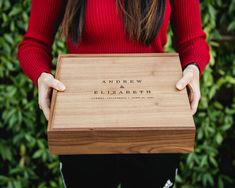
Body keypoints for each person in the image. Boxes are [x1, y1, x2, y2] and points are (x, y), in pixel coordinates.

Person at [17, 0, 210, 187]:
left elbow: (193, 41)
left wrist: (192, 68)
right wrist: (41, 75)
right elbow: (34, 43)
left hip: (154, 126)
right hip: (82, 126)